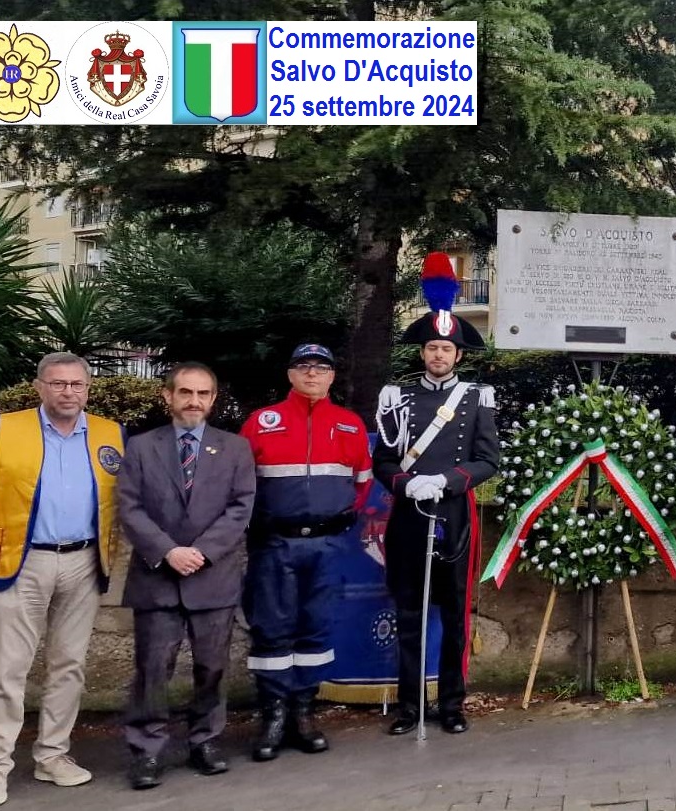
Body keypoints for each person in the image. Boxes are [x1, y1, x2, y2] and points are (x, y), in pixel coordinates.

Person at [0, 352, 125, 809]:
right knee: (7, 669)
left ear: (88, 389)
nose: (67, 392)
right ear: (39, 387)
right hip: (22, 561)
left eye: (76, 384)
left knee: (69, 665)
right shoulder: (1, 429)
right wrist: (12, 539)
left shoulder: (112, 434)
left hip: (84, 561)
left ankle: (53, 755)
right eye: (57, 384)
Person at [374, 252, 500, 736]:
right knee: (408, 613)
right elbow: (383, 461)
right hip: (408, 517)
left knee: (453, 616)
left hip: (454, 518)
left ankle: (452, 704)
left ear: (459, 355)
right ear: (422, 352)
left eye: (447, 349)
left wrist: (447, 480)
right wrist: (407, 484)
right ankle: (410, 706)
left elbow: (489, 460)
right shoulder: (397, 397)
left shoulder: (476, 399)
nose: (439, 356)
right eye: (432, 348)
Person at [116, 362, 256, 789]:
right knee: (153, 668)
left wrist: (202, 552)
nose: (193, 401)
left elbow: (241, 506)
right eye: (185, 393)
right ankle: (147, 749)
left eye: (202, 394)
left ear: (213, 399)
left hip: (213, 577)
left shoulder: (235, 449)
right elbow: (130, 507)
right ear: (168, 396)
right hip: (158, 576)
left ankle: (206, 740)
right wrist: (168, 551)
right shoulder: (140, 447)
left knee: (212, 667)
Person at [240, 344, 372, 761]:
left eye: (321, 368)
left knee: (316, 628)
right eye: (303, 367)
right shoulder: (261, 422)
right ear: (290, 374)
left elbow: (362, 485)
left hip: (328, 544)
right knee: (272, 628)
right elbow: (241, 486)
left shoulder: (349, 425)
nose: (312, 374)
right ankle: (273, 716)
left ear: (332, 377)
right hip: (274, 544)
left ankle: (303, 712)